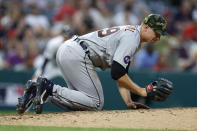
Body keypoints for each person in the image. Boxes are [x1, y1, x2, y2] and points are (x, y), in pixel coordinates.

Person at [17, 14, 169, 114]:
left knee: (81, 101)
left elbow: (121, 75)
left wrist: (129, 102)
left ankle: (38, 91)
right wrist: (142, 91)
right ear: (146, 27)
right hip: (78, 54)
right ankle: (48, 88)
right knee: (95, 102)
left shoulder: (132, 35)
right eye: (157, 32)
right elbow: (116, 73)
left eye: (160, 34)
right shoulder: (132, 38)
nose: (158, 37)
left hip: (70, 50)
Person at [16, 25, 75, 114]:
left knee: (75, 84)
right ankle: (24, 105)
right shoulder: (54, 43)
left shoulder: (75, 43)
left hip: (64, 68)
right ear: (62, 35)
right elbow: (46, 60)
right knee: (34, 81)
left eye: (69, 35)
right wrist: (40, 72)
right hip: (52, 66)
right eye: (65, 35)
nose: (67, 37)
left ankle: (79, 106)